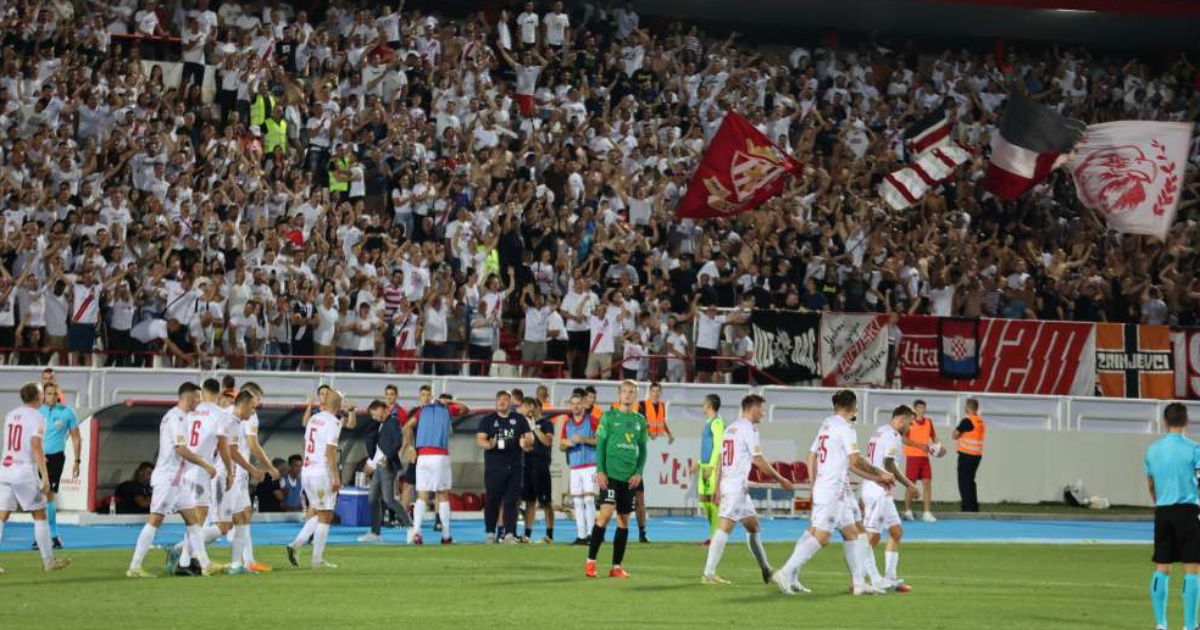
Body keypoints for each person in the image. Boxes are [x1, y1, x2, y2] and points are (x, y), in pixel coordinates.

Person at [773, 389, 895, 596]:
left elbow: (812, 455)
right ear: (854, 406)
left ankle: (858, 583)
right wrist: (881, 473)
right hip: (832, 489)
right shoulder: (846, 428)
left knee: (852, 532)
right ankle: (785, 572)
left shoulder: (828, 424)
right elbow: (855, 460)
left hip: (836, 488)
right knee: (821, 536)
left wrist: (814, 483)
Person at [126, 382, 221, 578]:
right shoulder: (175, 418)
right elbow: (181, 449)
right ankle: (135, 566)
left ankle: (205, 563)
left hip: (179, 479)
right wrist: (205, 464)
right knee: (155, 520)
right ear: (188, 398)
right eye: (197, 397)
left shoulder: (183, 417)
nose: (199, 400)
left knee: (193, 521)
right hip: (168, 478)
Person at [701, 394, 792, 585]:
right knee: (725, 526)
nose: (764, 413)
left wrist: (718, 488)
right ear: (753, 408)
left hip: (733, 485)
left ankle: (766, 570)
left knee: (753, 526)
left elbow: (719, 460)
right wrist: (780, 478)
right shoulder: (749, 430)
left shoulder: (731, 428)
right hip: (735, 487)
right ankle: (708, 573)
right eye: (762, 409)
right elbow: (758, 459)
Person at [0, 382, 71, 573]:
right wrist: (45, 477)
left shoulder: (10, 414)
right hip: (24, 471)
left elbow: (17, 443)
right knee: (40, 514)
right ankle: (49, 562)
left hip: (5, 468)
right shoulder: (38, 416)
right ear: (38, 397)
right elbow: (36, 445)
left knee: (2, 515)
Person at [168, 379, 235, 575]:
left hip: (183, 466)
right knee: (198, 517)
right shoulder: (220, 415)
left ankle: (189, 560)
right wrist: (230, 471)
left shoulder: (188, 412)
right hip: (200, 468)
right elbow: (223, 446)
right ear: (219, 393)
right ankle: (184, 560)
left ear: (203, 392)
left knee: (192, 517)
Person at [584, 380, 647, 579]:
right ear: (618, 395)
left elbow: (643, 451)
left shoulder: (640, 420)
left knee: (623, 519)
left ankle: (616, 567)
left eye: (632, 392)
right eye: (625, 392)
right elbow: (601, 445)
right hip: (610, 475)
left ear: (635, 396)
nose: (628, 395)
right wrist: (600, 471)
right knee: (605, 514)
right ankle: (591, 562)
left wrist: (638, 472)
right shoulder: (608, 417)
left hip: (629, 478)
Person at [1145, 403, 1200, 630]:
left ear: (1165, 421)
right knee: (1192, 567)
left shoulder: (1153, 450)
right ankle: (1189, 625)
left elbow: (1150, 484)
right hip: (1188, 511)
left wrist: (1159, 502)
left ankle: (1161, 623)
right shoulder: (1194, 449)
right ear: (1186, 421)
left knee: (1162, 566)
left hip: (1163, 511)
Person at [285, 389, 343, 569]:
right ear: (339, 406)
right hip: (321, 472)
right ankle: (315, 559)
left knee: (319, 512)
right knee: (326, 515)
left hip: (307, 470)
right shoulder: (334, 422)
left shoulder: (313, 418)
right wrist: (335, 476)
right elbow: (330, 451)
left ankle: (296, 545)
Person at [863, 406, 919, 593]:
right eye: (910, 423)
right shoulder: (893, 436)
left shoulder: (880, 431)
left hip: (879, 489)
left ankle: (890, 577)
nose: (910, 427)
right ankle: (859, 579)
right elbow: (888, 463)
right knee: (872, 536)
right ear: (901, 420)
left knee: (896, 531)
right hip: (878, 489)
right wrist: (909, 484)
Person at [478, 390, 534, 542]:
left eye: (505, 399)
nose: (502, 402)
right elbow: (480, 440)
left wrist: (526, 442)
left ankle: (509, 533)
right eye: (499, 400)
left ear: (510, 402)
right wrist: (490, 444)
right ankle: (490, 532)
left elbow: (530, 438)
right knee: (492, 500)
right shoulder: (488, 420)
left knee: (511, 500)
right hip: (494, 467)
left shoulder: (519, 419)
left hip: (515, 467)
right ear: (496, 402)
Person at [235, 381, 278, 573]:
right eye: (258, 398)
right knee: (225, 523)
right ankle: (183, 551)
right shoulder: (250, 416)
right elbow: (253, 445)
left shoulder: (230, 411)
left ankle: (247, 561)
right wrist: (269, 467)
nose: (258, 404)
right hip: (234, 472)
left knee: (243, 517)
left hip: (235, 471)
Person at [358, 399, 413, 543]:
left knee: (388, 499)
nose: (373, 417)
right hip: (378, 466)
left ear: (382, 409)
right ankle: (375, 533)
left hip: (387, 465)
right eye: (372, 415)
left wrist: (387, 458)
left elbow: (398, 441)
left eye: (374, 414)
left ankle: (411, 527)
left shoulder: (393, 421)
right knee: (372, 498)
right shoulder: (379, 424)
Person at [404, 391, 456, 545]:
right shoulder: (447, 409)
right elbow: (465, 408)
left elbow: (406, 426)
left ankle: (417, 532)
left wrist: (410, 447)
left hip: (422, 456)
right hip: (440, 455)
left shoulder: (421, 411)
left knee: (422, 496)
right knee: (443, 495)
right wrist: (448, 402)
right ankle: (446, 536)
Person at [38, 380, 80, 549]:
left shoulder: (67, 413)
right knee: (38, 497)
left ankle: (53, 536)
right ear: (43, 396)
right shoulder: (36, 413)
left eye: (55, 394)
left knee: (48, 494)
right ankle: (40, 536)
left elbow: (76, 437)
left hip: (55, 458)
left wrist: (77, 461)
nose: (53, 397)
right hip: (38, 458)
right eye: (49, 394)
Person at [634, 382, 671, 543]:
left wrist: (669, 434)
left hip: (645, 455)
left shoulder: (662, 406)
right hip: (630, 459)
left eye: (658, 391)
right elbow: (641, 424)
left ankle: (642, 533)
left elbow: (661, 423)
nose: (655, 393)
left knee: (640, 498)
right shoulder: (641, 406)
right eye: (653, 391)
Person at [559, 390, 598, 545]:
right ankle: (581, 535)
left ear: (583, 404)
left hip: (590, 465)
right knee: (577, 502)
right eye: (573, 404)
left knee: (588, 499)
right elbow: (561, 445)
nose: (575, 407)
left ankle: (592, 534)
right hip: (574, 466)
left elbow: (600, 441)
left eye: (578, 404)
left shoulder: (592, 420)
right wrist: (568, 443)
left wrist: (583, 439)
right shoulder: (567, 424)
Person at [521, 398, 555, 543]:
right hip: (527, 465)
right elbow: (524, 444)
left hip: (541, 465)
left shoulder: (547, 424)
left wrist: (535, 427)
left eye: (528, 407)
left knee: (546, 502)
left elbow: (547, 441)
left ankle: (549, 535)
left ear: (535, 408)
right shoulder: (524, 425)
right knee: (529, 502)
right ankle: (527, 535)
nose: (526, 410)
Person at [902, 399, 942, 522]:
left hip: (925, 457)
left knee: (927, 483)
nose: (921, 410)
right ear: (914, 409)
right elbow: (904, 439)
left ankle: (927, 512)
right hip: (912, 457)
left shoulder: (929, 422)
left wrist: (939, 447)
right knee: (910, 485)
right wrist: (919, 445)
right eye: (919, 407)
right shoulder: (909, 422)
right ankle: (907, 511)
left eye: (923, 408)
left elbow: (934, 437)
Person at [697, 394, 725, 545]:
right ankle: (713, 532)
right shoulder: (708, 422)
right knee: (704, 501)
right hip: (704, 466)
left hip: (712, 468)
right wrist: (699, 462)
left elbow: (718, 448)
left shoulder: (717, 423)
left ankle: (714, 536)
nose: (702, 405)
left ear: (709, 405)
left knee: (713, 501)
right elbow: (707, 448)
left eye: (704, 403)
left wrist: (712, 467)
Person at [953, 398, 986, 512]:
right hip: (976, 455)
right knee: (971, 481)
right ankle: (973, 506)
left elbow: (955, 434)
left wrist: (958, 433)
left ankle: (966, 507)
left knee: (964, 482)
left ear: (967, 407)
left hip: (966, 455)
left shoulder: (967, 421)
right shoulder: (980, 421)